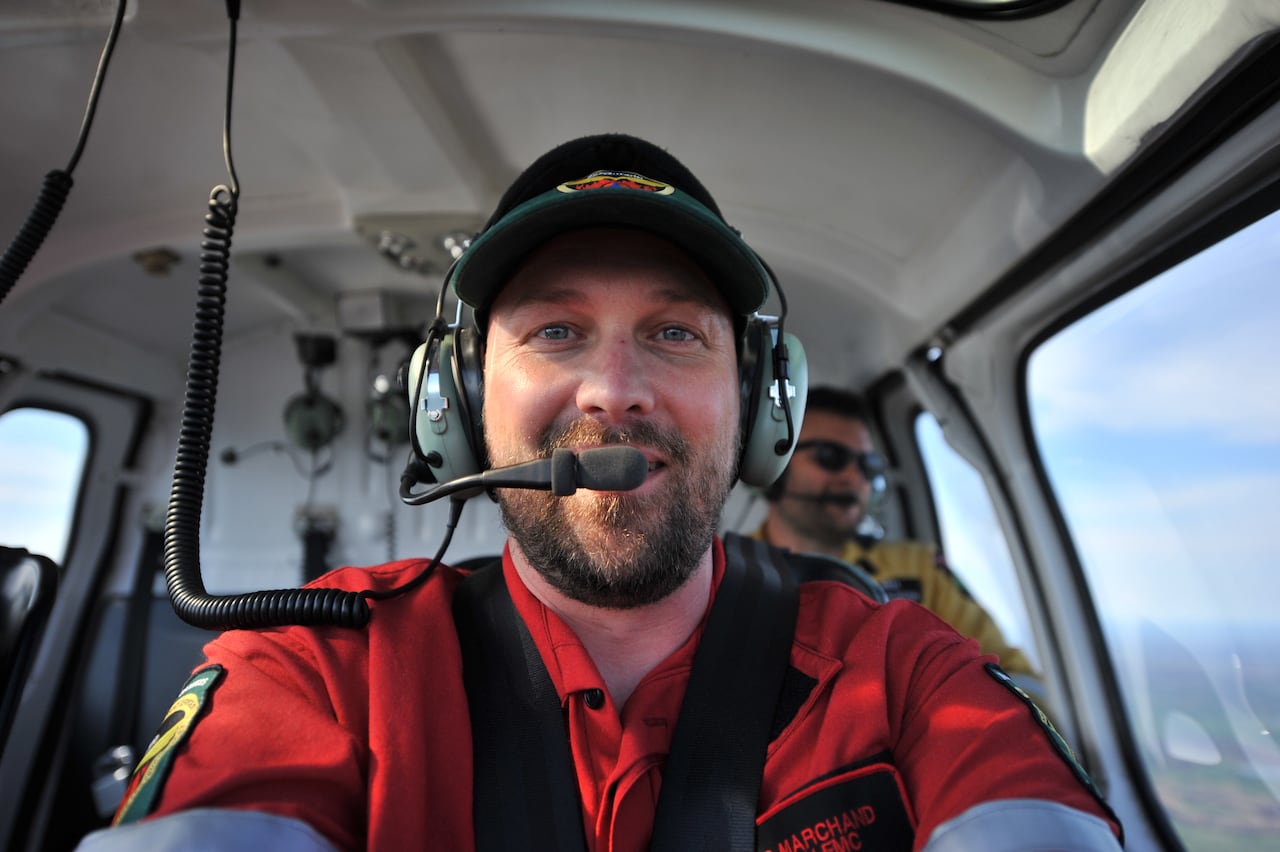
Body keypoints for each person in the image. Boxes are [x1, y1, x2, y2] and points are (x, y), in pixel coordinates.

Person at [78, 134, 1121, 851]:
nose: (614, 394)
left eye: (674, 333)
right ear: (456, 402)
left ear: (760, 406)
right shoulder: (320, 666)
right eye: (554, 332)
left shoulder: (900, 668)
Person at [755, 386, 1040, 680]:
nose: (855, 479)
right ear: (775, 463)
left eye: (868, 466)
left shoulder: (919, 568)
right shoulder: (724, 574)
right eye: (830, 456)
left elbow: (1015, 678)